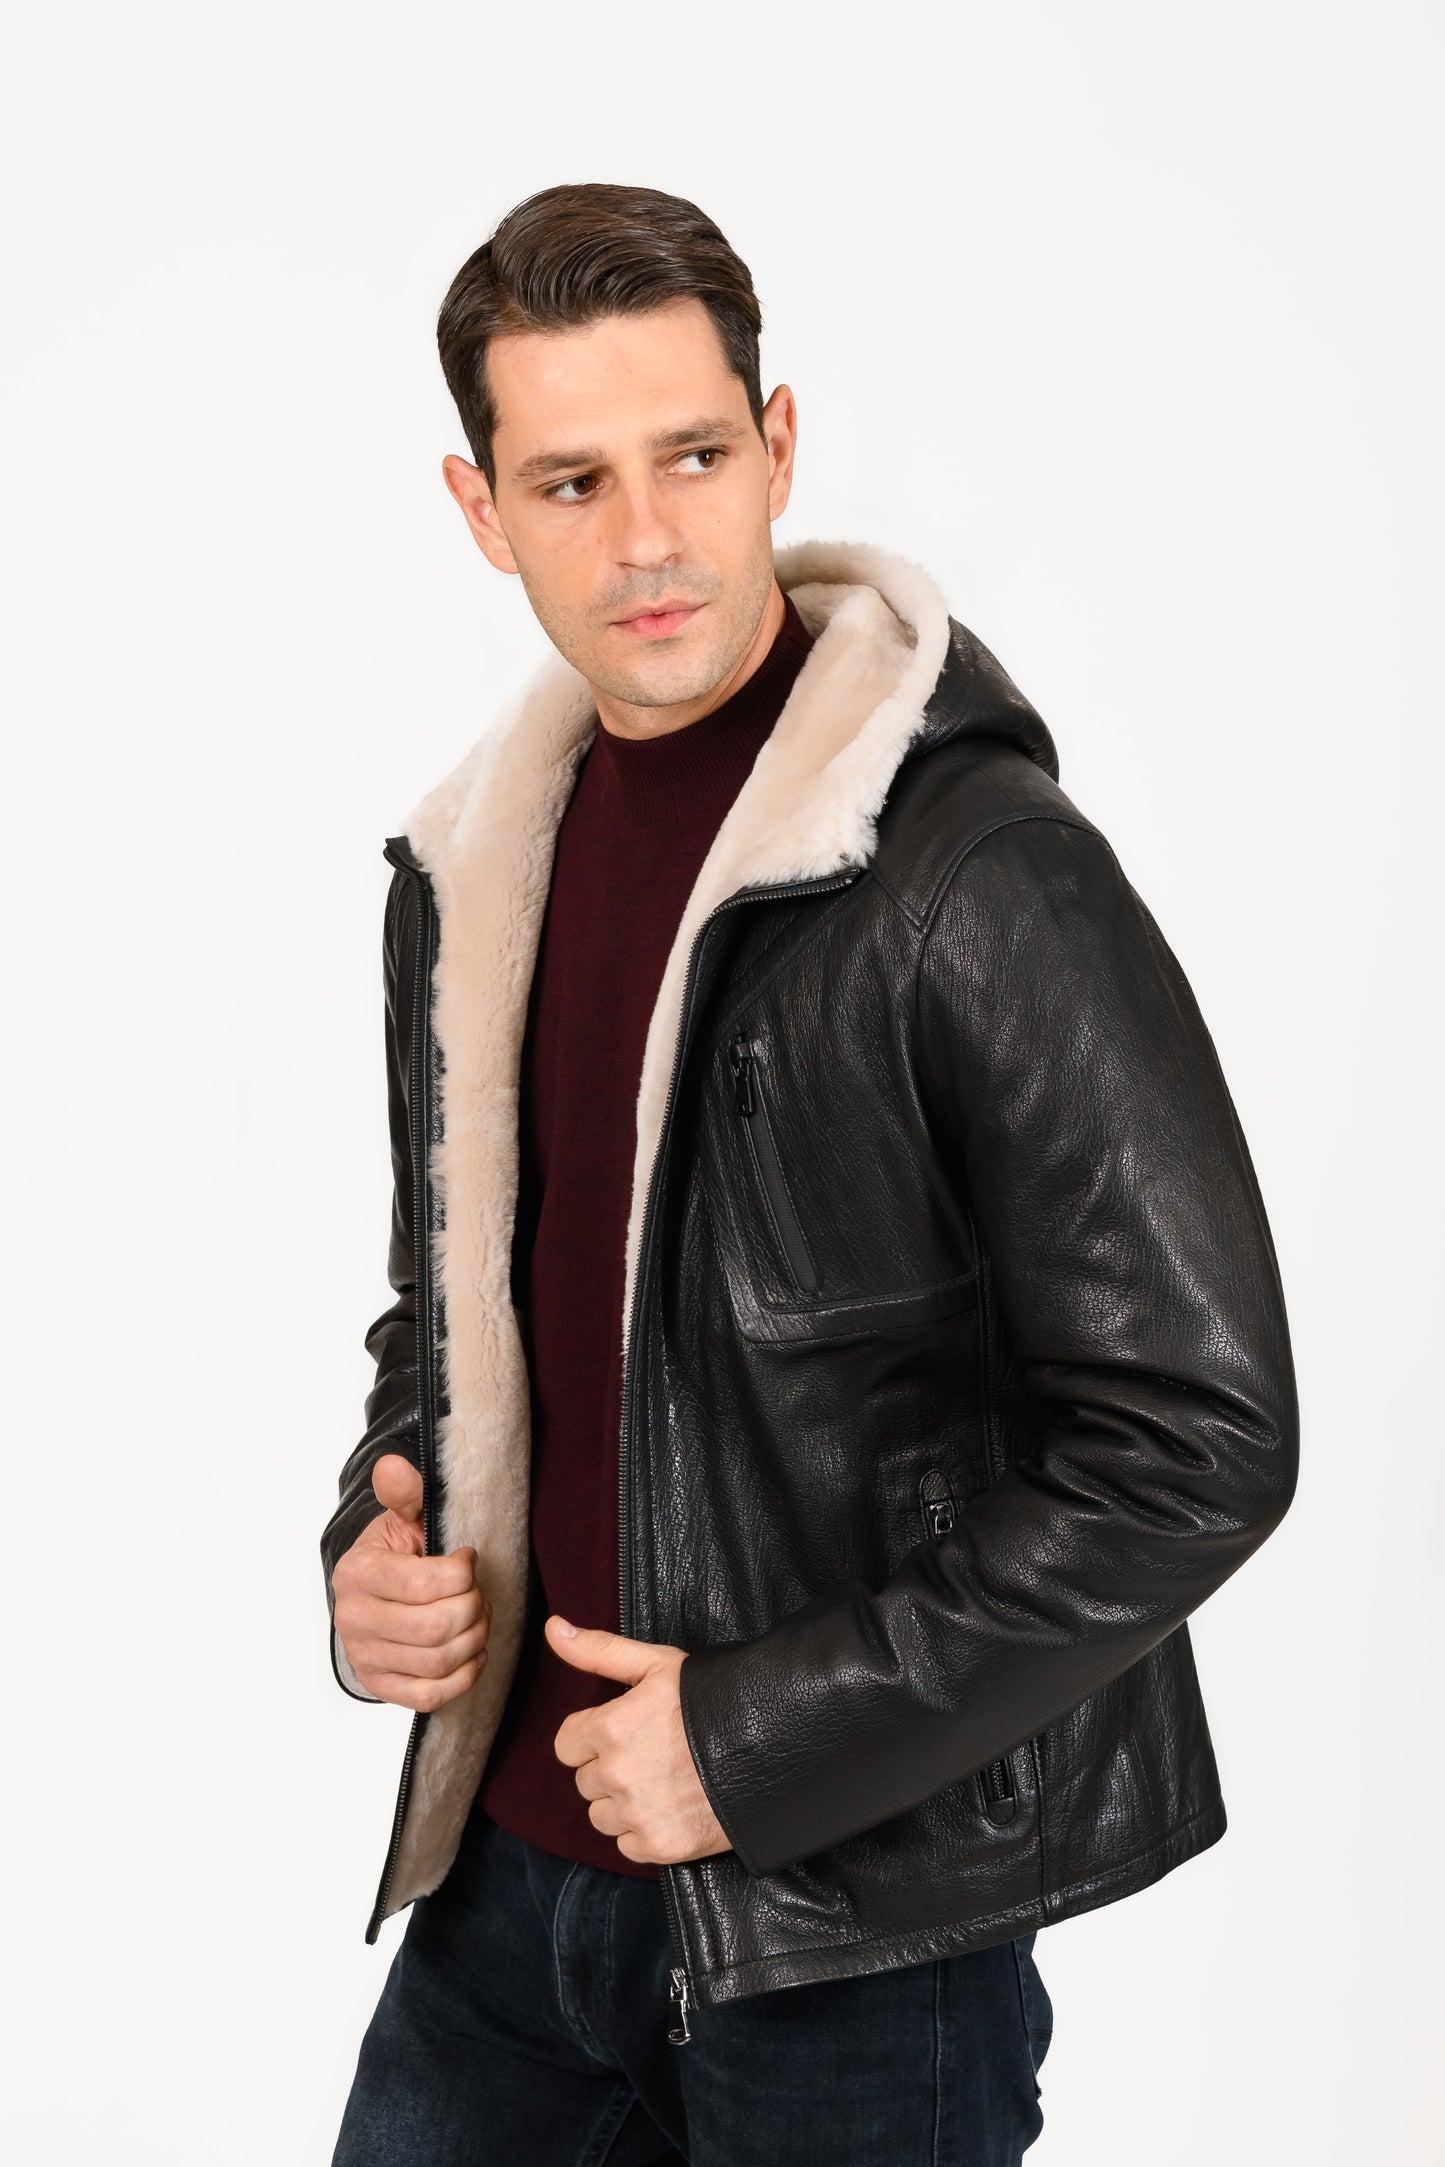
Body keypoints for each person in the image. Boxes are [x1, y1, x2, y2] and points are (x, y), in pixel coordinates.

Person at [321, 181, 1298, 2166]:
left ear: (776, 447)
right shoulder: (471, 880)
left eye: (691, 455)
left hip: (856, 1934)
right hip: (506, 1896)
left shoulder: (976, 874)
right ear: (481, 509)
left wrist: (753, 1743)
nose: (646, 535)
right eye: (571, 481)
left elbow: (1199, 1438)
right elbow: (463, 1311)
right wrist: (380, 1545)